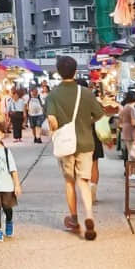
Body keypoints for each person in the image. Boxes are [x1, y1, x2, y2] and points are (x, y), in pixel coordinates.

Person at [45, 55, 107, 241]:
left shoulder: (53, 94)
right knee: (83, 181)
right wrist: (84, 122)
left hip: (65, 145)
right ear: (75, 70)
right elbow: (99, 115)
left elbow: (52, 121)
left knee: (69, 182)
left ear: (58, 72)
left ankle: (74, 219)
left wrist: (53, 129)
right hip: (86, 142)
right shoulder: (86, 92)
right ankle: (89, 215)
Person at [118, 89, 135, 161]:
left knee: (130, 152)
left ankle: (130, 170)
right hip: (130, 131)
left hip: (125, 130)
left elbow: (120, 117)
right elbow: (133, 122)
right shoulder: (131, 108)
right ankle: (131, 170)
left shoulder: (126, 106)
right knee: (132, 153)